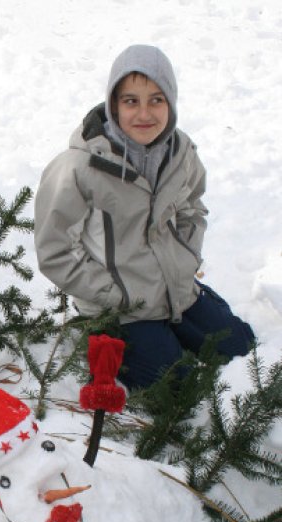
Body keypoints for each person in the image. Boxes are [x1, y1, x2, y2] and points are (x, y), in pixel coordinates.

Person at [34, 44, 255, 390]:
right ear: (113, 104)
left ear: (171, 102)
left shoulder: (181, 152)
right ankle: (133, 340)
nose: (144, 113)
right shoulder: (78, 167)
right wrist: (112, 295)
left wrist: (185, 258)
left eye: (157, 99)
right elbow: (55, 251)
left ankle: (182, 315)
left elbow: (192, 207)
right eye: (131, 101)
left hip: (176, 288)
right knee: (177, 389)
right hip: (123, 304)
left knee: (240, 346)